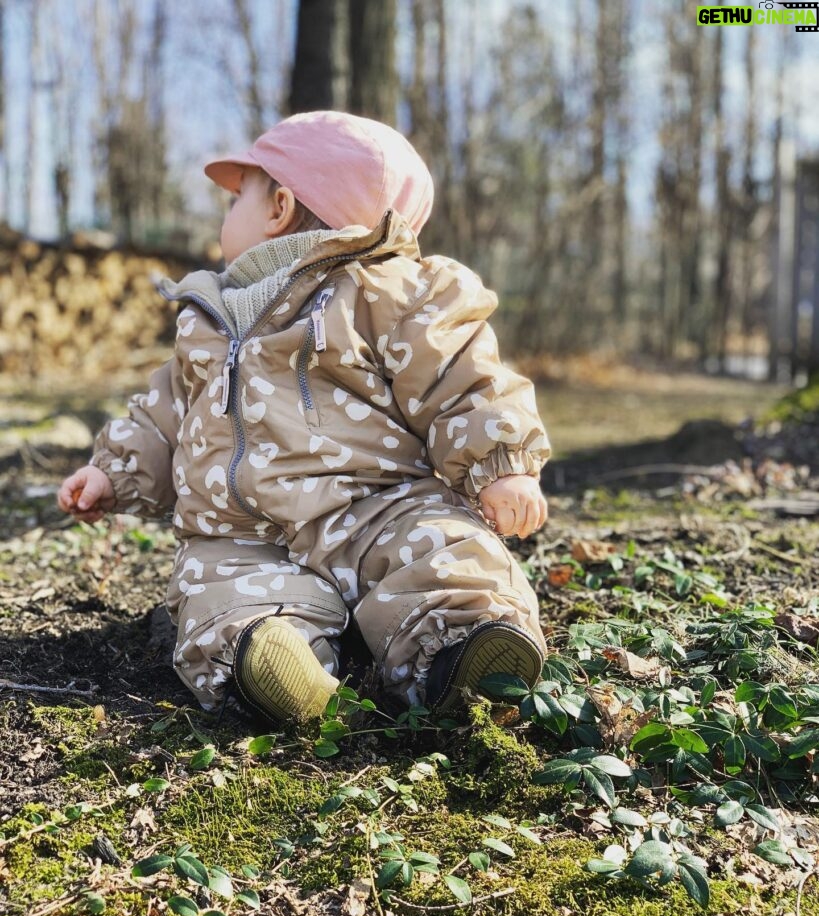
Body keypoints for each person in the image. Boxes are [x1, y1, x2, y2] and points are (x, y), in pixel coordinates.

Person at [57, 110, 551, 724]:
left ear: (279, 206)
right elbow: (167, 411)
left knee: (444, 552)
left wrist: (500, 462)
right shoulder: (210, 313)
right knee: (222, 596)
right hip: (244, 533)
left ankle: (461, 651)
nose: (225, 211)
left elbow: (461, 374)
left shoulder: (389, 290)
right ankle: (272, 664)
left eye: (238, 195)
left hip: (379, 506)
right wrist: (115, 470)